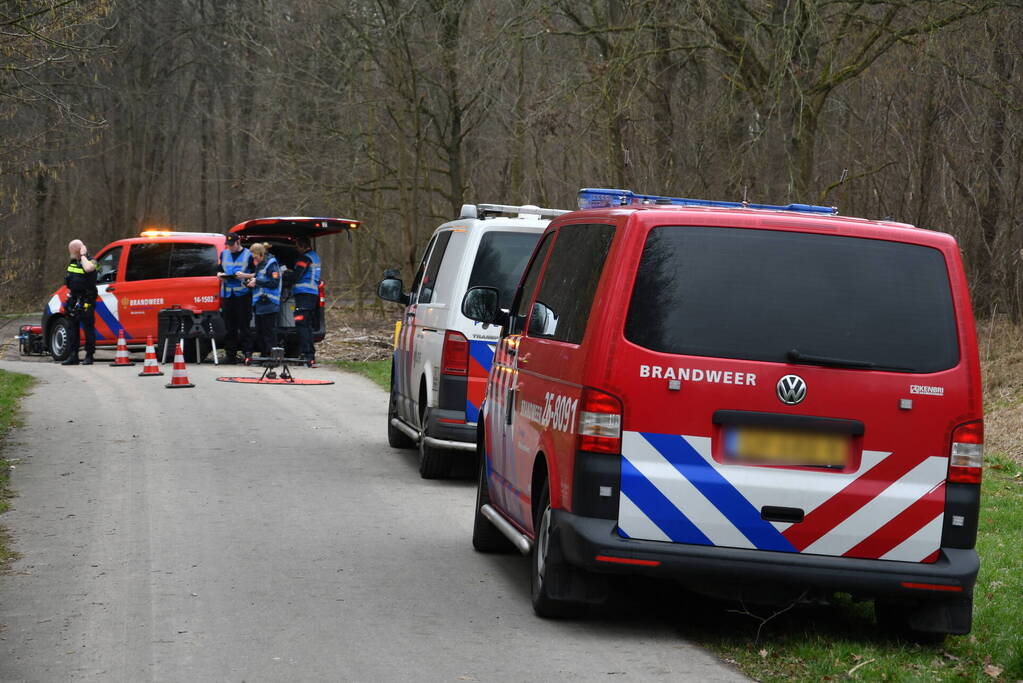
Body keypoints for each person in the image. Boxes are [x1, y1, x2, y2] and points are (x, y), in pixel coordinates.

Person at [218, 234, 254, 363]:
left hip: (242, 294)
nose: (231, 247)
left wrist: (245, 275)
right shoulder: (224, 254)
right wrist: (220, 274)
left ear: (238, 242)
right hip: (228, 294)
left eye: (232, 244)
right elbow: (219, 269)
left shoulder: (249, 255)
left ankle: (247, 353)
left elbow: (257, 273)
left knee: (244, 326)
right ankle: (230, 354)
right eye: (228, 245)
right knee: (229, 327)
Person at [62, 239, 98, 365]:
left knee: (88, 329)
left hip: (87, 299)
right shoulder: (72, 263)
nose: (70, 253)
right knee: (72, 328)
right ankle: (73, 356)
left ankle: (89, 355)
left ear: (79, 250)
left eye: (72, 251)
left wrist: (83, 255)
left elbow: (88, 269)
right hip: (73, 298)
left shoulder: (91, 261)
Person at [243, 243, 282, 359]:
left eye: (255, 257)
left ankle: (271, 357)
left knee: (268, 332)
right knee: (260, 332)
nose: (254, 260)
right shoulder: (260, 264)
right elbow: (260, 280)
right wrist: (250, 282)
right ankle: (264, 355)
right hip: (260, 304)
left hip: (269, 303)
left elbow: (274, 283)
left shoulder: (271, 264)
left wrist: (257, 281)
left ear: (261, 254)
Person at [291, 237, 321, 366]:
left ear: (302, 246)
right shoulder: (315, 257)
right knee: (307, 325)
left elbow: (296, 276)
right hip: (312, 294)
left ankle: (306, 354)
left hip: (304, 295)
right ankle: (310, 355)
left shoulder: (305, 258)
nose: (297, 250)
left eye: (297, 247)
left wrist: (284, 274)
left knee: (302, 324)